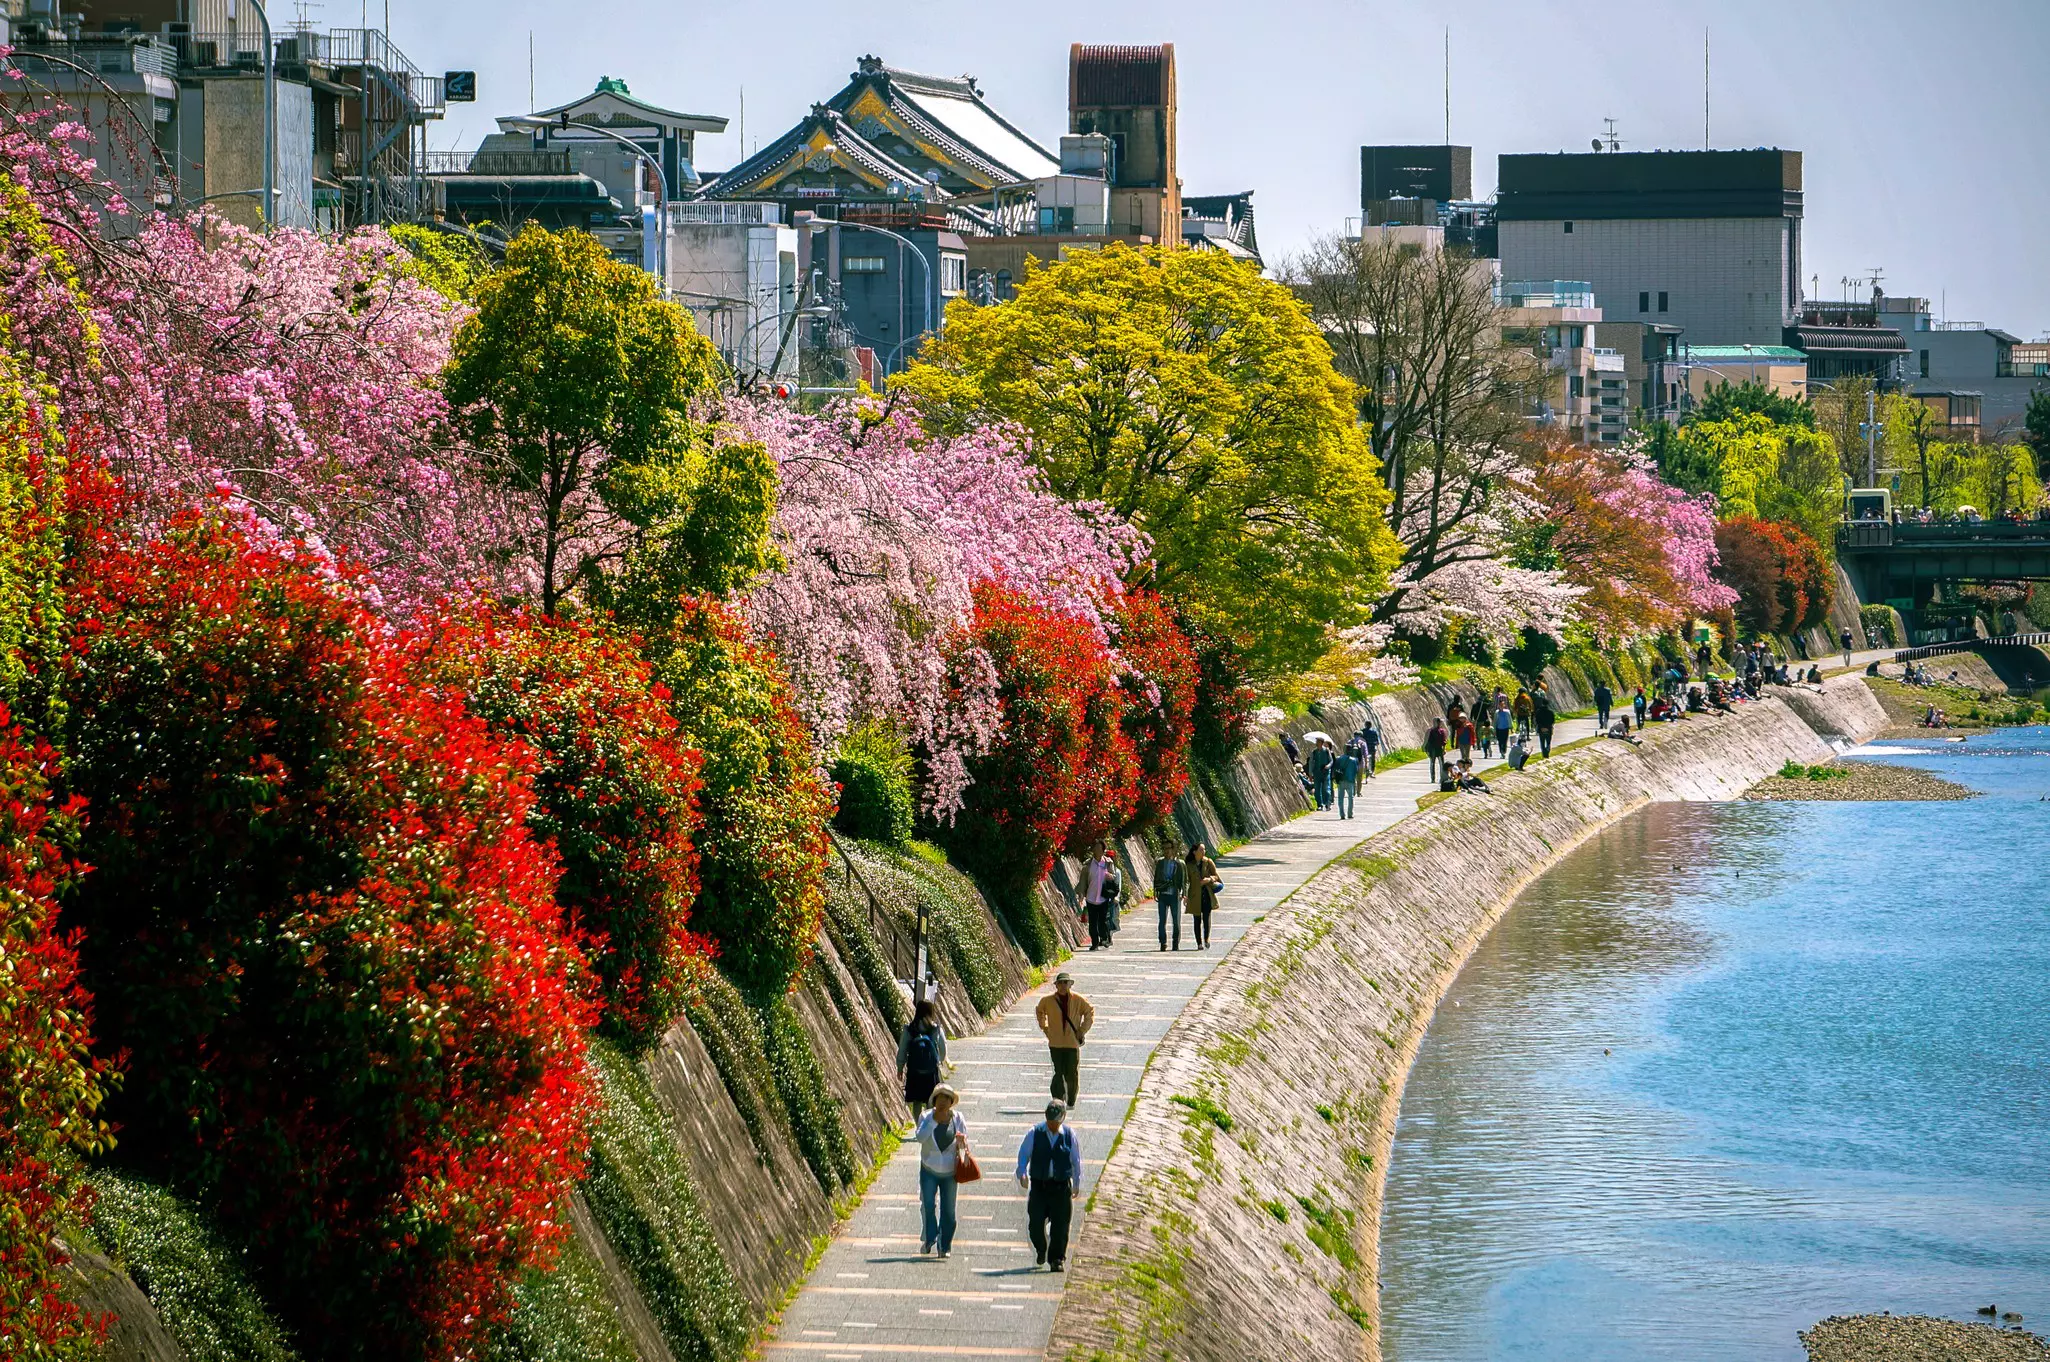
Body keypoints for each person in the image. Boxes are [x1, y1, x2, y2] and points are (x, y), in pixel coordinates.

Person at [1016, 1100, 1083, 1272]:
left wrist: (1076, 1182)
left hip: (1061, 1186)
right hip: (1040, 1186)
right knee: (1035, 1224)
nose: (1052, 1124)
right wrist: (1022, 1173)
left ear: (1062, 1118)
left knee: (1061, 1226)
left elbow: (1075, 1160)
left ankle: (1057, 1259)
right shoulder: (1034, 1132)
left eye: (1055, 1121)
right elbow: (1024, 1155)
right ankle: (1041, 1248)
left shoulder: (1069, 1134)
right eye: (1050, 1120)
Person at [915, 1084, 970, 1259]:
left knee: (949, 1212)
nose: (944, 1102)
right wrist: (934, 1121)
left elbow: (963, 1147)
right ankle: (931, 1238)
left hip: (950, 1172)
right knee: (928, 1205)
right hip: (929, 1169)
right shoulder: (926, 1116)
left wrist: (962, 1143)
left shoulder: (958, 1118)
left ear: (952, 1102)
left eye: (947, 1098)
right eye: (940, 1098)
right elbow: (920, 1137)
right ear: (934, 1100)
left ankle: (944, 1245)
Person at [1035, 973, 1093, 1107]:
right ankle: (1058, 1100)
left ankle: (1071, 1099)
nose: (1062, 986)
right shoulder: (1048, 1000)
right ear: (1056, 985)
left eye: (1065, 983)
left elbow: (1089, 1012)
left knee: (1071, 1073)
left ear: (1070, 984)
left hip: (1072, 1043)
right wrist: (1045, 1027)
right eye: (1060, 983)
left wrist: (1082, 1030)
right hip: (1055, 1043)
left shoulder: (1078, 1000)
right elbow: (1040, 1011)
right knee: (1058, 1072)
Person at [897, 998, 948, 1123]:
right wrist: (937, 1061)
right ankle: (929, 1125)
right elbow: (943, 1049)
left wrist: (900, 1067)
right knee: (931, 1100)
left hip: (914, 1071)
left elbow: (902, 1049)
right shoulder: (935, 1028)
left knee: (917, 1102)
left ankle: (919, 1126)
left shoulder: (910, 1029)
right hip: (931, 1072)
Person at [1185, 842, 1221, 950]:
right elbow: (1186, 881)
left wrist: (1209, 879)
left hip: (1207, 894)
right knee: (1196, 919)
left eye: (1204, 850)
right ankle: (1199, 943)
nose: (1203, 852)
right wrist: (1185, 896)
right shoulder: (1189, 865)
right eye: (1201, 850)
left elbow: (1216, 877)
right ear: (1194, 852)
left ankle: (1206, 939)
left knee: (1206, 918)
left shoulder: (1208, 862)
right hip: (1195, 895)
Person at [1083, 843, 1118, 951]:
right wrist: (1081, 894)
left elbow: (1114, 876)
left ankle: (1104, 938)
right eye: (1095, 848)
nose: (1097, 850)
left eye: (1099, 848)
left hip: (1103, 897)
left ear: (1103, 850)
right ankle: (1094, 942)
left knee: (1102, 920)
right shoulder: (1088, 864)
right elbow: (1083, 881)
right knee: (1092, 922)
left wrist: (1110, 876)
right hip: (1091, 897)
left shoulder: (1108, 863)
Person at [1153, 846, 1185, 951]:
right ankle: (1163, 942)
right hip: (1162, 894)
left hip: (1174, 895)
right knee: (1162, 920)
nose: (1166, 851)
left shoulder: (1179, 864)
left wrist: (1183, 893)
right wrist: (1155, 891)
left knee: (1176, 920)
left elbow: (1184, 880)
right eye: (1165, 848)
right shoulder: (1160, 863)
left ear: (1173, 850)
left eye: (1169, 848)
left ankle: (1175, 942)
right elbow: (1156, 877)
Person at [1333, 741, 1360, 820]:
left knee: (1340, 798)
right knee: (1350, 798)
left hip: (1341, 780)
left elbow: (1335, 769)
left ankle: (1342, 814)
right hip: (1350, 781)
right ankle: (1350, 813)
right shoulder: (1354, 760)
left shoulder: (1339, 759)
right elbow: (1356, 771)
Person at [1308, 737, 1334, 811]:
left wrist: (1328, 766)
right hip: (1317, 773)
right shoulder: (1314, 752)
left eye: (1318, 742)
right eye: (1316, 742)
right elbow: (1311, 763)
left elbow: (1331, 761)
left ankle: (1327, 804)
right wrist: (1310, 773)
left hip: (1325, 773)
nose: (1317, 743)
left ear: (1322, 743)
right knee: (1317, 790)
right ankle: (1319, 804)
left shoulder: (1326, 750)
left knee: (1326, 789)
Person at [1532, 684, 1557, 760]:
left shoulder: (1539, 712)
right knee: (1548, 741)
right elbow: (1553, 720)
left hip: (1541, 728)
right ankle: (1547, 751)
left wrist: (1539, 725)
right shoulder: (1550, 712)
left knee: (1542, 742)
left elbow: (1537, 720)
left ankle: (1544, 753)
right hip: (1548, 728)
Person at [1424, 718, 1448, 784]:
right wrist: (1427, 750)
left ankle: (1442, 778)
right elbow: (1427, 741)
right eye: (1438, 722)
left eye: (1439, 722)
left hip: (1439, 749)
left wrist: (1444, 749)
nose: (1439, 723)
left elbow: (1444, 741)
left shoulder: (1442, 731)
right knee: (1432, 763)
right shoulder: (1430, 731)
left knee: (1442, 764)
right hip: (1432, 749)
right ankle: (1433, 778)